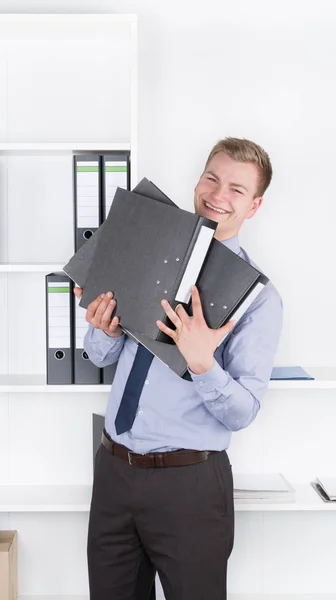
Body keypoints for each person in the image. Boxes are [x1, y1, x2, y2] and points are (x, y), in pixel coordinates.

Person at [74, 137, 283, 600]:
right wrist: (104, 329)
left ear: (254, 206)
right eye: (212, 177)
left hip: (188, 486)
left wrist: (202, 361)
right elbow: (100, 357)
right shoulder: (147, 252)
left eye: (237, 189)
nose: (218, 195)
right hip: (113, 471)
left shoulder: (258, 301)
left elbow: (242, 412)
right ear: (198, 179)